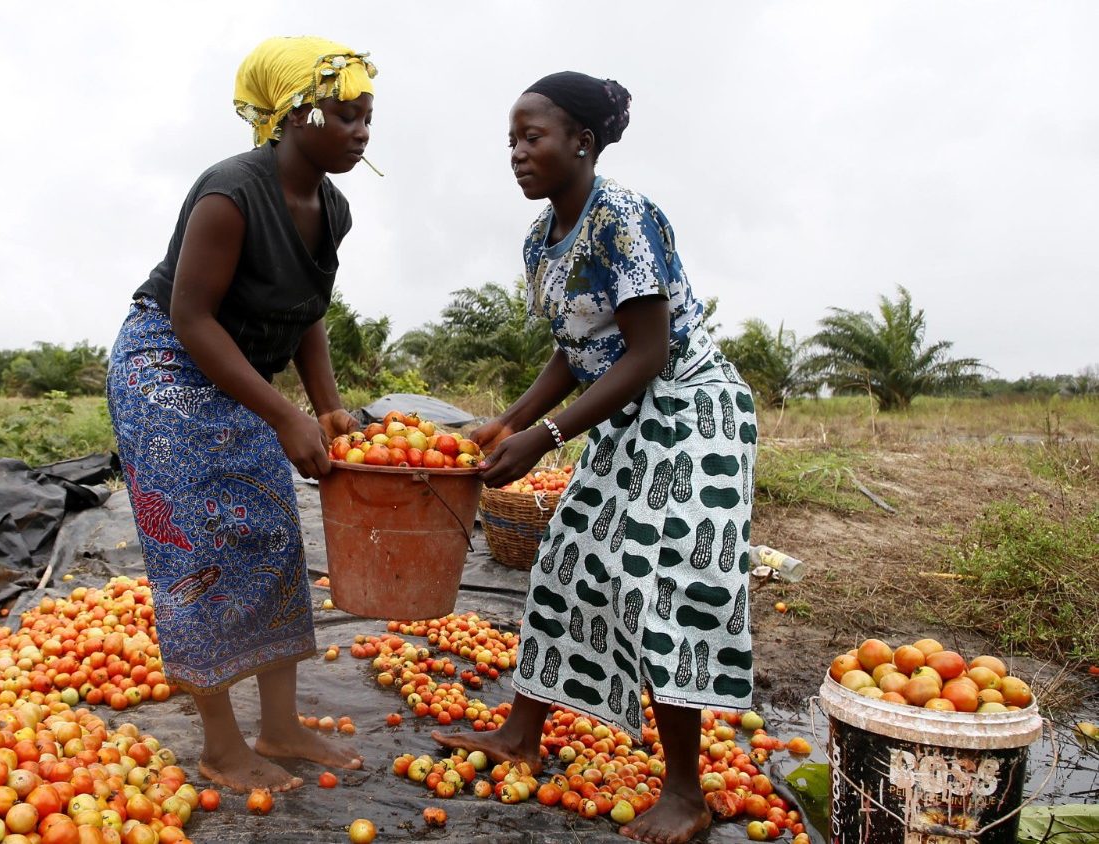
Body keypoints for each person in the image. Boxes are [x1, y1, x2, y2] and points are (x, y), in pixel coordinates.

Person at [432, 72, 757, 844]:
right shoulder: (539, 240)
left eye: (531, 136)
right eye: (510, 139)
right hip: (625, 412)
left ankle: (686, 792)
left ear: (582, 140)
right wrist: (504, 421)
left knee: (655, 585)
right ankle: (520, 733)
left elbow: (646, 354)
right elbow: (575, 351)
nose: (516, 152)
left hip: (687, 411)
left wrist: (542, 439)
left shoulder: (623, 218)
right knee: (567, 562)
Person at [106, 36, 374, 792]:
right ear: (292, 115)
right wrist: (285, 416)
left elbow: (307, 312)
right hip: (167, 369)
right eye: (344, 114)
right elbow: (192, 318)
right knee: (201, 550)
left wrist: (326, 408)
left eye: (367, 116)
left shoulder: (333, 206)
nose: (360, 131)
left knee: (272, 534)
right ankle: (221, 745)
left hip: (243, 375)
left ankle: (281, 729)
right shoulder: (230, 193)